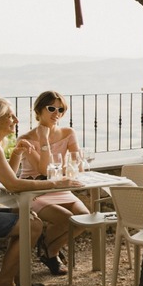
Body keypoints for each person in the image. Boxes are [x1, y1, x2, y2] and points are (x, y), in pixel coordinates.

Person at [0, 97, 82, 286]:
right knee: (32, 226)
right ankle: (4, 285)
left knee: (27, 217)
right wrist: (53, 184)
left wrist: (16, 153)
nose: (15, 119)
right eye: (9, 116)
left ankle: (17, 280)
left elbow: (7, 180)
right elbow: (14, 185)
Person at [17, 91, 90, 276]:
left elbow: (77, 162)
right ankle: (53, 254)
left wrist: (74, 167)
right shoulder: (25, 139)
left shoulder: (68, 132)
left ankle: (48, 248)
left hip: (60, 186)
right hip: (35, 189)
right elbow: (44, 170)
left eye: (61, 109)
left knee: (84, 218)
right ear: (38, 110)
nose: (56, 113)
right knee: (66, 219)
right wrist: (43, 139)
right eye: (51, 108)